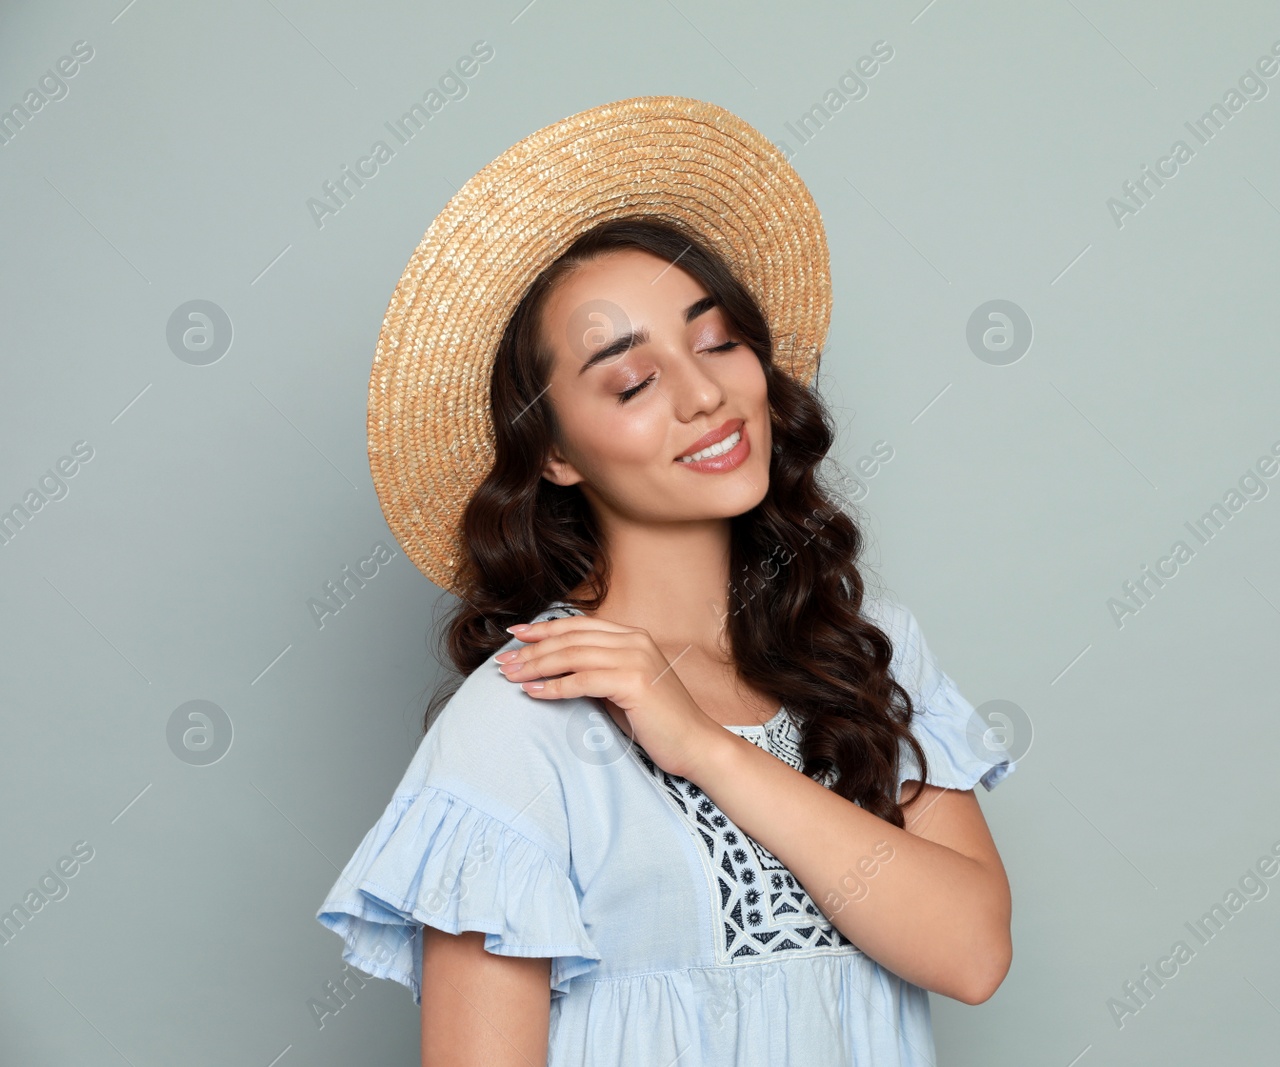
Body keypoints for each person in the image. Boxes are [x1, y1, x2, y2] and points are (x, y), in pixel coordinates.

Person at [315, 96, 1017, 1067]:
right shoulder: (517, 724)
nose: (702, 394)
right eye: (631, 382)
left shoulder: (866, 645)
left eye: (717, 338)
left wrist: (703, 745)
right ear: (555, 452)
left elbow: (972, 951)